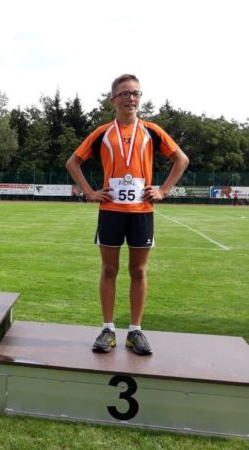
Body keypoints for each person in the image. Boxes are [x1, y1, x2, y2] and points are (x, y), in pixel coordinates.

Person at [66, 74, 189, 355]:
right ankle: (108, 328)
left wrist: (164, 191)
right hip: (110, 210)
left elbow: (181, 159)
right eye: (124, 94)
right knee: (109, 269)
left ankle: (135, 331)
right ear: (113, 100)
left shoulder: (152, 131)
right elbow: (73, 162)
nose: (131, 98)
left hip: (141, 211)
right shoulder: (102, 133)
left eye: (135, 93)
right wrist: (89, 191)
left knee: (139, 270)